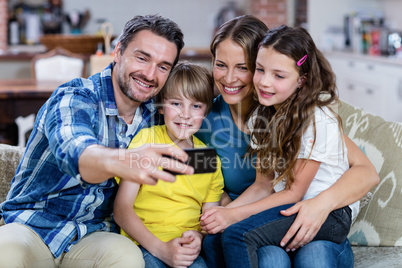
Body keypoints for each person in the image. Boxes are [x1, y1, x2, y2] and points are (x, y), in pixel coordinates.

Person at [0, 14, 194, 267]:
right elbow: (75, 151)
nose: (149, 74)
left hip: (96, 234)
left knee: (128, 258)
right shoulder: (76, 96)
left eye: (163, 66)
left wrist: (230, 200)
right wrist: (122, 159)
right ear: (118, 52)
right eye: (142, 58)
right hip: (33, 226)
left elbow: (195, 161)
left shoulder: (157, 115)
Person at [196, 15, 379, 267]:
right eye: (220, 64)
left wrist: (320, 204)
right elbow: (199, 180)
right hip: (261, 215)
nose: (229, 78)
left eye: (243, 67)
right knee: (259, 254)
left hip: (309, 212)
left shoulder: (309, 115)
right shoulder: (201, 121)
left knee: (311, 256)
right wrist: (219, 214)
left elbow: (366, 172)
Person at [114, 62, 224, 268]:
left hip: (186, 250)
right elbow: (122, 209)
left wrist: (199, 236)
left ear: (206, 111)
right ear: (162, 106)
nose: (185, 114)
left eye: (196, 106)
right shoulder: (146, 141)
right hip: (145, 244)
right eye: (176, 104)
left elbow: (210, 217)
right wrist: (161, 249)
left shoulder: (209, 158)